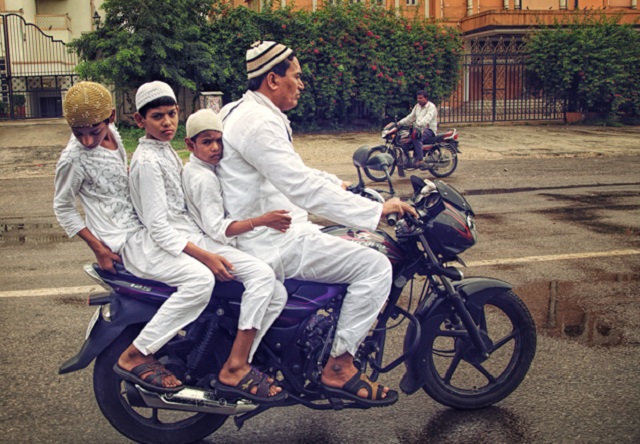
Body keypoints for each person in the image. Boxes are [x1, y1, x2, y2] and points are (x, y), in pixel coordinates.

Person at [217, 41, 417, 407]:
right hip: (270, 240)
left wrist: (335, 182)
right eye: (297, 76)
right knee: (374, 266)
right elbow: (301, 188)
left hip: (270, 227)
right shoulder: (258, 122)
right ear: (273, 80)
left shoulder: (244, 111)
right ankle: (339, 367)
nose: (302, 83)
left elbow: (291, 172)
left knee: (345, 244)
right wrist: (376, 211)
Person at [53, 82, 198, 393]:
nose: (88, 140)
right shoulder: (73, 158)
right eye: (79, 133)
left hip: (140, 229)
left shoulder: (115, 138)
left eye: (95, 130)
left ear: (112, 118)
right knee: (200, 280)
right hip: (123, 241)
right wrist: (98, 248)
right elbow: (62, 207)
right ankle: (139, 353)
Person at [181, 108, 290, 401]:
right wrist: (262, 220)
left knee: (277, 294)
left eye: (219, 141)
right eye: (207, 142)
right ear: (190, 145)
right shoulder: (202, 178)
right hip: (208, 242)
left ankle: (243, 360)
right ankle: (236, 366)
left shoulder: (206, 169)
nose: (216, 148)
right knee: (263, 276)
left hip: (209, 237)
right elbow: (217, 229)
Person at [398, 90, 438, 169]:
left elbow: (427, 119)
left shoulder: (431, 107)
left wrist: (417, 125)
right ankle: (407, 161)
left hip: (428, 130)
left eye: (421, 98)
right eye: (418, 98)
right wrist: (399, 123)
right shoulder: (417, 106)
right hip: (417, 129)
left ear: (426, 98)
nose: (419, 100)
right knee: (403, 139)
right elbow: (410, 117)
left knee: (416, 137)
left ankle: (420, 159)